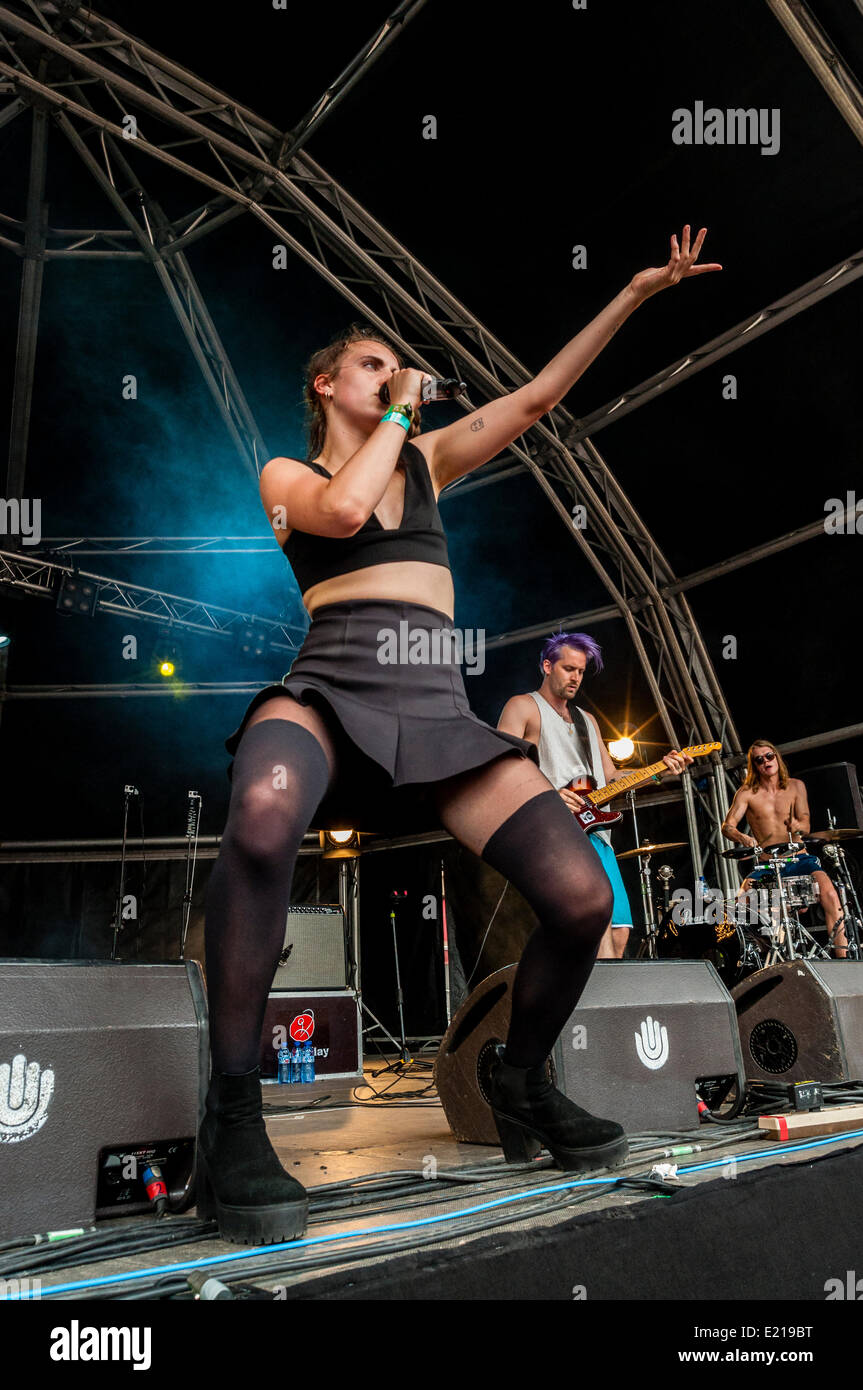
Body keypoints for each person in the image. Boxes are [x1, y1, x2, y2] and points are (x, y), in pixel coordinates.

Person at [198, 226, 722, 1245]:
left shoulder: (429, 459)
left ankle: (517, 1076)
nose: (392, 372)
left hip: (434, 706)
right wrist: (400, 409)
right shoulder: (284, 473)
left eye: (396, 364)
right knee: (261, 823)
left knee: (577, 897)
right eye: (369, 361)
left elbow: (532, 402)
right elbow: (346, 508)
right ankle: (231, 1113)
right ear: (323, 384)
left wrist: (630, 290)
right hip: (330, 683)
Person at [498, 633, 690, 959]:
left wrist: (660, 769)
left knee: (619, 934)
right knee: (596, 929)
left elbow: (612, 777)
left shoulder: (587, 721)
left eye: (581, 671)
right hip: (556, 830)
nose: (575, 677)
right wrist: (547, 794)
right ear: (547, 666)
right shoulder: (523, 706)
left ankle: (603, 1004)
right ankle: (593, 1008)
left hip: (598, 834)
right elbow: (501, 766)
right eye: (568, 668)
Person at [721, 740, 846, 956]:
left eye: (769, 756)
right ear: (754, 765)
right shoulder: (746, 793)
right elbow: (727, 826)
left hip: (799, 859)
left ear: (777, 757)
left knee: (831, 895)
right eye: (759, 760)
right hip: (768, 865)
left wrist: (799, 827)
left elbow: (805, 824)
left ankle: (843, 959)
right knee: (741, 902)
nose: (766, 762)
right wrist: (742, 837)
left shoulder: (796, 786)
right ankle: (759, 959)